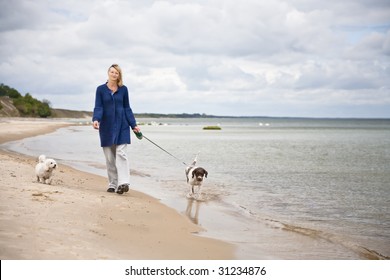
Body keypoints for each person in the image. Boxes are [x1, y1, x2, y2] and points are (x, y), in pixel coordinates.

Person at [92, 64, 141, 194]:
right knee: (110, 157)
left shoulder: (123, 90)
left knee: (121, 154)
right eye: (112, 72)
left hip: (122, 126)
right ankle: (113, 184)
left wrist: (134, 125)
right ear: (108, 73)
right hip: (106, 127)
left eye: (116, 73)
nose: (114, 74)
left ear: (119, 75)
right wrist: (96, 119)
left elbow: (127, 108)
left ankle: (123, 182)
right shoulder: (100, 89)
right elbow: (98, 107)